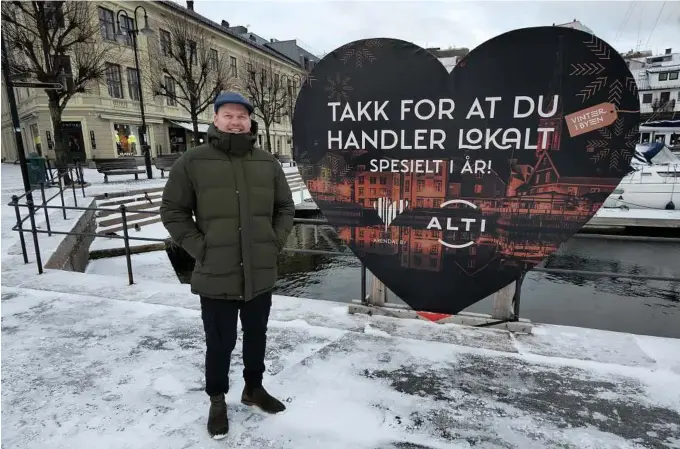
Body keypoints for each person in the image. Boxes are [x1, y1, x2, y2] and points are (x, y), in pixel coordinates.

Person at [159, 91, 295, 439]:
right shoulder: (192, 161)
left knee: (257, 336)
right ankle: (217, 399)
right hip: (216, 272)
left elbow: (285, 208)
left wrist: (274, 242)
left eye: (242, 116)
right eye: (228, 115)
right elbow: (173, 211)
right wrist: (201, 249)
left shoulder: (267, 163)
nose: (236, 121)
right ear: (215, 119)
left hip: (259, 270)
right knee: (219, 342)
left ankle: (254, 389)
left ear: (250, 121)